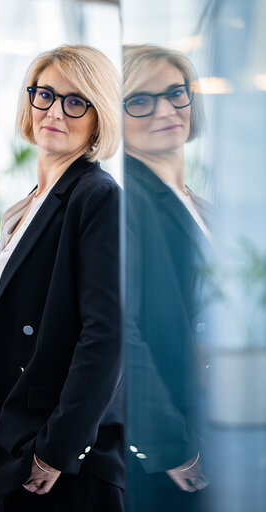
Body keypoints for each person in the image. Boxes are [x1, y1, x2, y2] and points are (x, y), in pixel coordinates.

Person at [0, 44, 124, 512]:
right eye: (44, 94)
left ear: (98, 115)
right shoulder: (31, 204)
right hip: (2, 434)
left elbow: (105, 335)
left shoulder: (98, 196)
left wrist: (56, 449)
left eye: (75, 101)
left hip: (47, 450)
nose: (55, 111)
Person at [123, 44, 213, 511]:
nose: (166, 109)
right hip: (177, 433)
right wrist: (167, 443)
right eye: (140, 100)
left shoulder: (200, 204)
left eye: (177, 93)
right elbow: (122, 333)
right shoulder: (125, 202)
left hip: (220, 410)